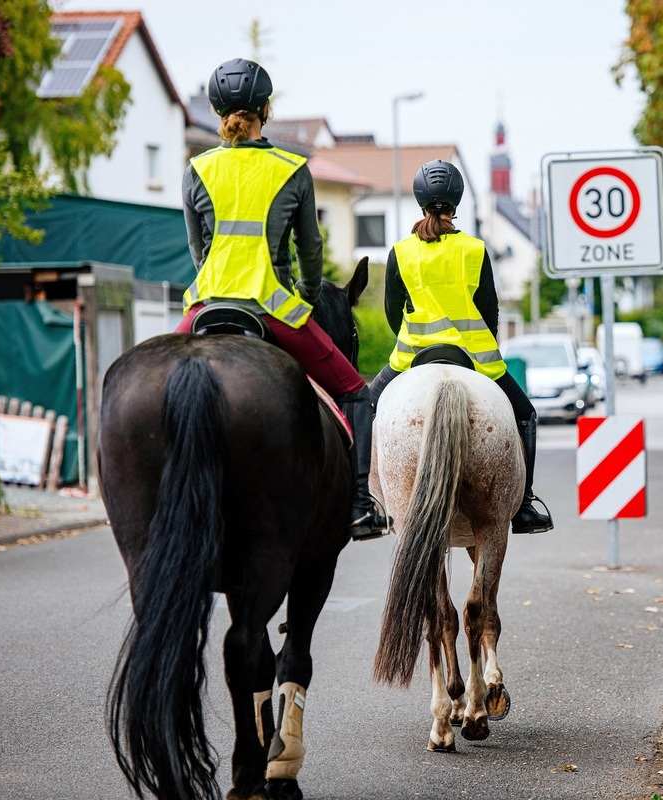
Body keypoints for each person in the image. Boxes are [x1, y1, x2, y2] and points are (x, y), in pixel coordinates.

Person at [174, 58, 388, 540]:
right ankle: (357, 504)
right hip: (273, 310)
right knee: (356, 392)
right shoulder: (292, 169)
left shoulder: (197, 168)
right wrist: (309, 300)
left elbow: (197, 250)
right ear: (265, 110)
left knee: (158, 379)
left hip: (205, 306)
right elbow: (310, 251)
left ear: (215, 111)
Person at [368, 159, 553, 534]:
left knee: (362, 408)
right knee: (526, 414)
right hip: (477, 359)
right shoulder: (475, 250)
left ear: (420, 200)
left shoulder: (400, 252)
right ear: (457, 202)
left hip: (410, 359)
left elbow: (392, 314)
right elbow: (490, 313)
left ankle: (364, 499)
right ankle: (525, 505)